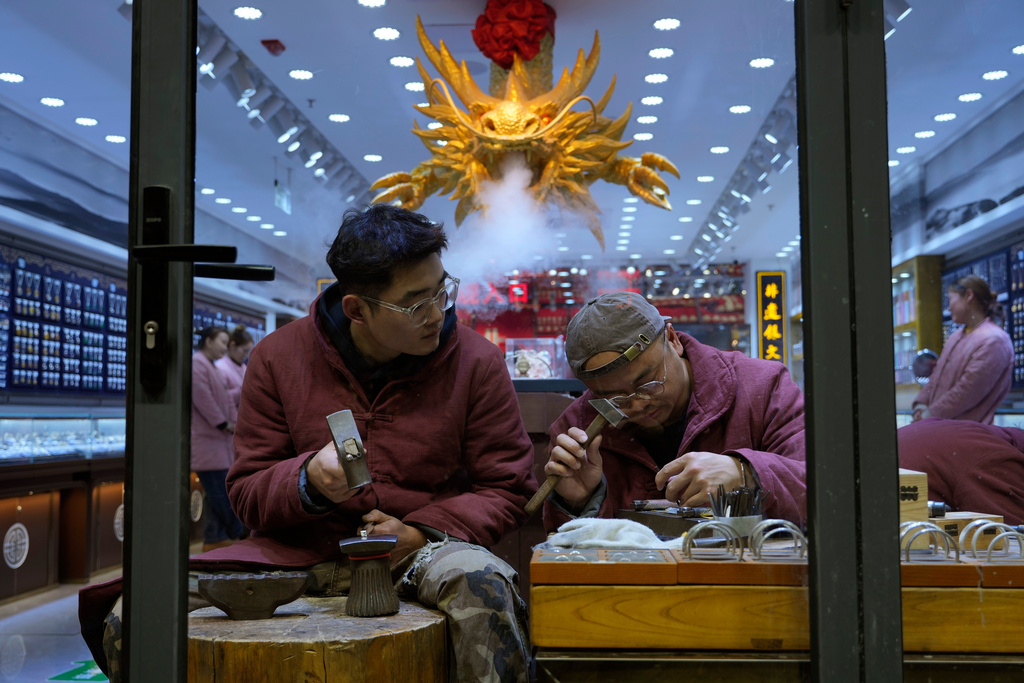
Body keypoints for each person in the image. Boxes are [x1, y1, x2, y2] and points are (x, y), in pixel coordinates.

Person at [78, 204, 538, 683]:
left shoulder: (476, 361)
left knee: (483, 584)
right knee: (138, 608)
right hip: (293, 555)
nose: (439, 312)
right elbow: (247, 493)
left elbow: (507, 488)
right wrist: (307, 483)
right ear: (357, 308)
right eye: (416, 303)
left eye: (443, 289)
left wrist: (423, 531)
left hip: (419, 554)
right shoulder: (278, 358)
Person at [542, 291, 806, 531]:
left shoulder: (762, 388)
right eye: (613, 399)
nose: (637, 404)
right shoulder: (576, 434)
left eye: (647, 383)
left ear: (672, 339)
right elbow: (565, 558)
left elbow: (823, 486)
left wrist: (748, 476)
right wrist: (578, 504)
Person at [912, 275, 1012, 424]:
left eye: (951, 299)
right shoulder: (956, 337)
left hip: (966, 436)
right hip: (939, 429)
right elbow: (936, 378)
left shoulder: (993, 339)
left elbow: (968, 392)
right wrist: (921, 404)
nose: (949, 307)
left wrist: (930, 414)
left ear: (968, 296)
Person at [899, 418, 1024, 525]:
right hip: (902, 528)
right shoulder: (996, 457)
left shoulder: (972, 432)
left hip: (889, 511)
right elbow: (1011, 535)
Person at [191, 325, 246, 551]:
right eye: (223, 342)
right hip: (209, 446)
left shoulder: (209, 366)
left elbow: (222, 399)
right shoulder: (197, 364)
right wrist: (223, 423)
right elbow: (204, 399)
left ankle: (215, 540)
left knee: (217, 500)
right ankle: (234, 535)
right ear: (208, 341)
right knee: (223, 499)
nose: (225, 347)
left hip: (220, 445)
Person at [215, 325, 254, 417]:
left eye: (248, 351)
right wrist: (243, 390)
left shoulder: (243, 367)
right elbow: (219, 398)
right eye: (244, 351)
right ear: (232, 345)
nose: (246, 355)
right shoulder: (220, 367)